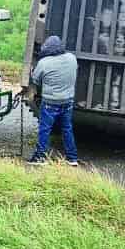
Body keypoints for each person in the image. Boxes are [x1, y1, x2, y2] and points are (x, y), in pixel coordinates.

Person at [27, 35, 79, 166]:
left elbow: (35, 80)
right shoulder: (72, 58)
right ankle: (72, 158)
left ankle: (40, 157)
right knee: (67, 128)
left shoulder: (44, 62)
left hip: (50, 102)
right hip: (68, 101)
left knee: (45, 129)